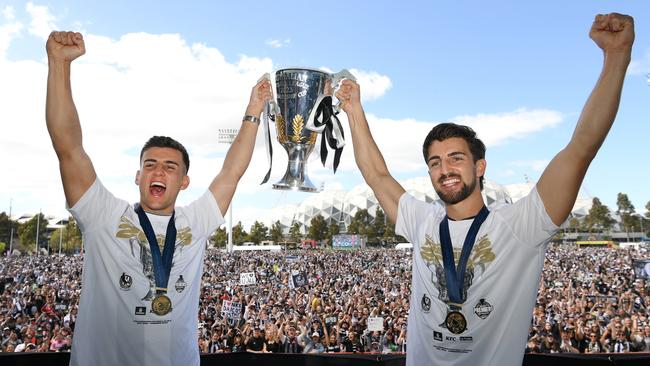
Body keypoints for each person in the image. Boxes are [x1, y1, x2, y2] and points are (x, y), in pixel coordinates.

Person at [336, 13, 634, 366]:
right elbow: (377, 176)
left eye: (456, 158)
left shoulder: (521, 225)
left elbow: (581, 146)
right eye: (435, 162)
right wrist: (354, 110)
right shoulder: (422, 221)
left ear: (480, 167)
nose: (444, 169)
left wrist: (616, 57)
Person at [45, 31, 270, 366]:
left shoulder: (196, 221)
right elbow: (68, 148)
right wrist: (59, 65)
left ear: (184, 181)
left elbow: (230, 174)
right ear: (138, 176)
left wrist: (254, 109)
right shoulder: (103, 215)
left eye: (169, 167)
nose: (158, 172)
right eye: (149, 165)